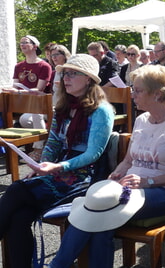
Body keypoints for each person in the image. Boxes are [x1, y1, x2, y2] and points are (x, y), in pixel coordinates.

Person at [49, 64, 165, 267]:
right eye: (132, 89)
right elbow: (129, 160)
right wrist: (117, 173)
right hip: (130, 188)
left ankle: (57, 265)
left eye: (137, 90)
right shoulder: (143, 119)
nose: (132, 94)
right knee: (95, 216)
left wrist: (148, 181)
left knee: (102, 214)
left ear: (157, 94)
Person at [0, 54, 114, 267]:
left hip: (83, 177)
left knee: (16, 190)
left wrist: (58, 166)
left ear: (88, 79)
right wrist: (40, 165)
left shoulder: (101, 111)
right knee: (18, 219)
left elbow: (93, 155)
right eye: (65, 73)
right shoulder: (63, 106)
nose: (65, 78)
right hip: (58, 171)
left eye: (73, 73)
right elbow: (53, 142)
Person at [5, 35, 53, 161]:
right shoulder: (18, 66)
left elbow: (39, 89)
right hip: (25, 106)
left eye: (25, 42)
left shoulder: (44, 66)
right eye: (20, 43)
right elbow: (15, 86)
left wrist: (19, 92)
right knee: (25, 120)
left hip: (42, 105)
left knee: (36, 115)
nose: (22, 45)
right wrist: (10, 90)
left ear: (35, 46)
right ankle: (44, 143)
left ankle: (39, 148)